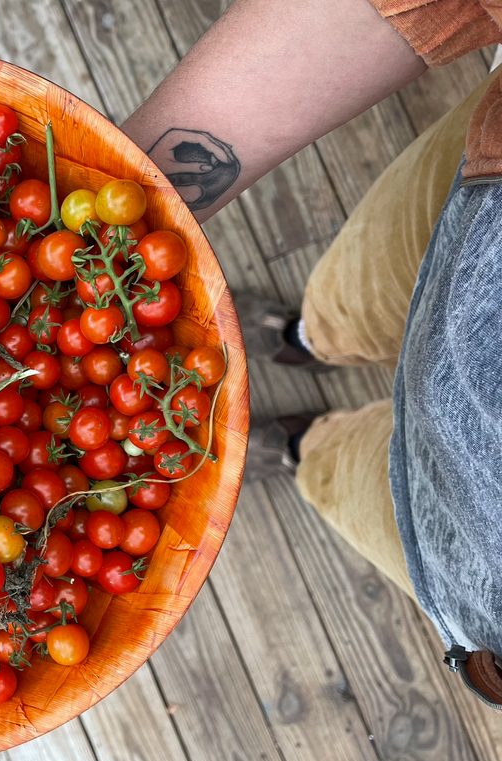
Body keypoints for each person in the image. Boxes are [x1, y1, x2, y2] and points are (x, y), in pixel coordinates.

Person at [121, 0, 502, 708]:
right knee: (360, 285)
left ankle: (305, 449)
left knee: (352, 478)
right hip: (487, 179)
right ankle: (311, 334)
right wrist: (126, 204)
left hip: (466, 567)